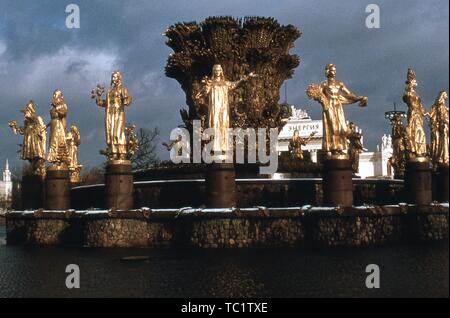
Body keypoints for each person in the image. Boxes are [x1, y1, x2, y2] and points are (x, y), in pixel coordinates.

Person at [307, 64, 367, 157]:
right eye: (332, 70)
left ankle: (339, 147)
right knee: (332, 127)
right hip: (329, 107)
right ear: (327, 71)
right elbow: (318, 95)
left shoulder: (340, 83)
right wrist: (320, 99)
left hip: (338, 106)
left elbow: (348, 94)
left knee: (340, 127)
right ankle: (333, 148)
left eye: (335, 70)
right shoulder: (324, 84)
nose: (334, 72)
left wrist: (359, 98)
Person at [195, 64, 256, 156]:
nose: (217, 71)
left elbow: (236, 84)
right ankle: (215, 146)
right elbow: (203, 92)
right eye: (215, 70)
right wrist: (201, 91)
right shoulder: (210, 83)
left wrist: (247, 77)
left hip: (223, 108)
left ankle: (224, 146)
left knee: (224, 124)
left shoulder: (225, 83)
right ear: (213, 71)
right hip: (214, 107)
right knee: (215, 124)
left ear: (221, 71)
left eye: (219, 70)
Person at [95, 71, 132, 161]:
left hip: (118, 113)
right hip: (109, 114)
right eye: (112, 77)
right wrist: (98, 99)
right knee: (111, 133)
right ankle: (114, 152)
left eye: (115, 77)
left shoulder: (122, 89)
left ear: (119, 78)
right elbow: (106, 103)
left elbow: (128, 99)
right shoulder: (109, 90)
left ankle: (122, 152)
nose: (113, 79)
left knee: (118, 132)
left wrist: (125, 99)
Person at [8, 101, 47, 176]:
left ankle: (37, 168)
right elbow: (22, 131)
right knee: (30, 157)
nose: (25, 114)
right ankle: (33, 168)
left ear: (30, 111)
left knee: (36, 156)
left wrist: (37, 130)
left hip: (35, 141)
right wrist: (15, 127)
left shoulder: (36, 119)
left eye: (27, 111)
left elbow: (40, 128)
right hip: (28, 142)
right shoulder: (26, 122)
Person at [403, 68, 427, 159]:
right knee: (416, 131)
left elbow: (420, 105)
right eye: (414, 81)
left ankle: (420, 150)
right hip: (413, 114)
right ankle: (415, 150)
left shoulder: (416, 94)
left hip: (418, 114)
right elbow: (406, 99)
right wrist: (409, 86)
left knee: (420, 132)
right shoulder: (409, 93)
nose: (415, 83)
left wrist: (424, 112)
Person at [428, 90, 449, 168]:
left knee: (444, 143)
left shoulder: (444, 107)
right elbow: (442, 118)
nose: (447, 96)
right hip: (442, 128)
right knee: (443, 143)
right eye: (446, 94)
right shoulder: (441, 107)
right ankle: (443, 158)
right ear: (443, 96)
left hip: (445, 128)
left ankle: (444, 157)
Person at [47, 89, 68, 165]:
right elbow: (52, 118)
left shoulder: (62, 103)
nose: (54, 96)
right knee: (52, 142)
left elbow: (63, 113)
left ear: (59, 95)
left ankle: (59, 158)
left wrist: (56, 107)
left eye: (55, 94)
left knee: (57, 141)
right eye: (53, 94)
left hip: (58, 125)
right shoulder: (52, 106)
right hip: (53, 125)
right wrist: (46, 126)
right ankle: (54, 159)